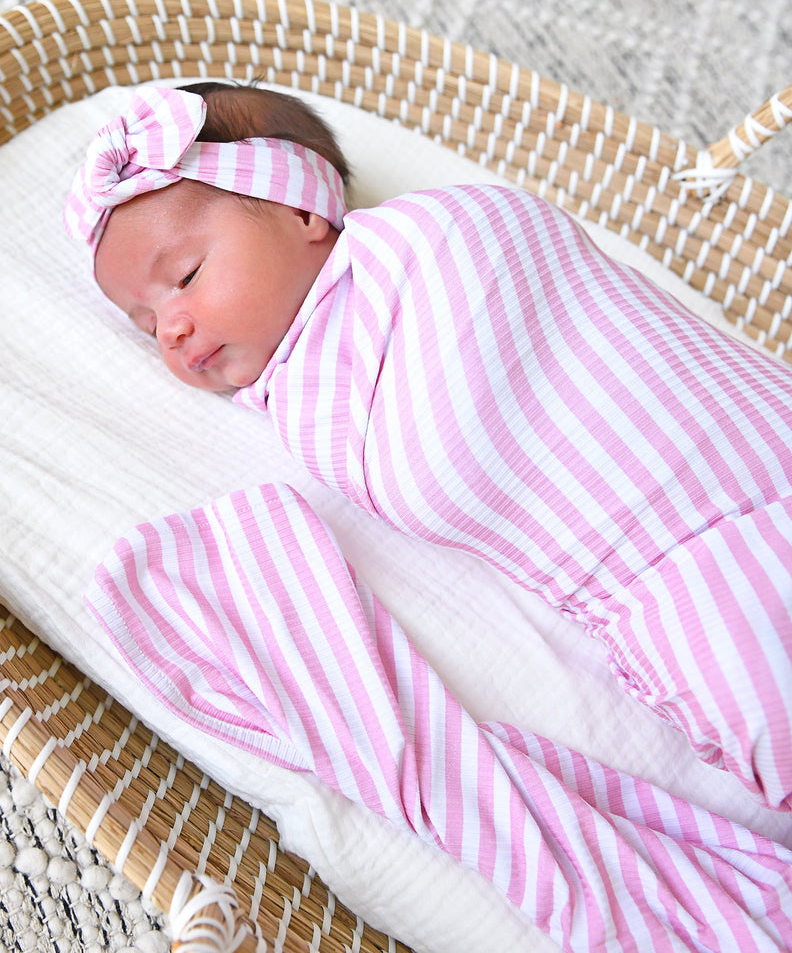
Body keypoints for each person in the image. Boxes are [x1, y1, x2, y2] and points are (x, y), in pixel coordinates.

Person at [64, 82, 792, 814]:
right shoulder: (305, 401)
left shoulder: (437, 239)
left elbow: (529, 257)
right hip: (674, 591)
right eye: (146, 323)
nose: (171, 329)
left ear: (301, 212)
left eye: (185, 277)